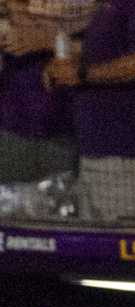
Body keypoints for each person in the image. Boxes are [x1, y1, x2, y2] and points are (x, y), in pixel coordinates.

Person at [46, 0, 135, 221]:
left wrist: (82, 74)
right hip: (100, 145)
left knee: (123, 243)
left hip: (126, 148)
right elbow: (107, 47)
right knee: (95, 246)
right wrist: (66, 65)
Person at [0, 4, 74, 183]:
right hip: (13, 134)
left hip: (65, 135)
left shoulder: (72, 18)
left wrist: (48, 39)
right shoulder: (9, 29)